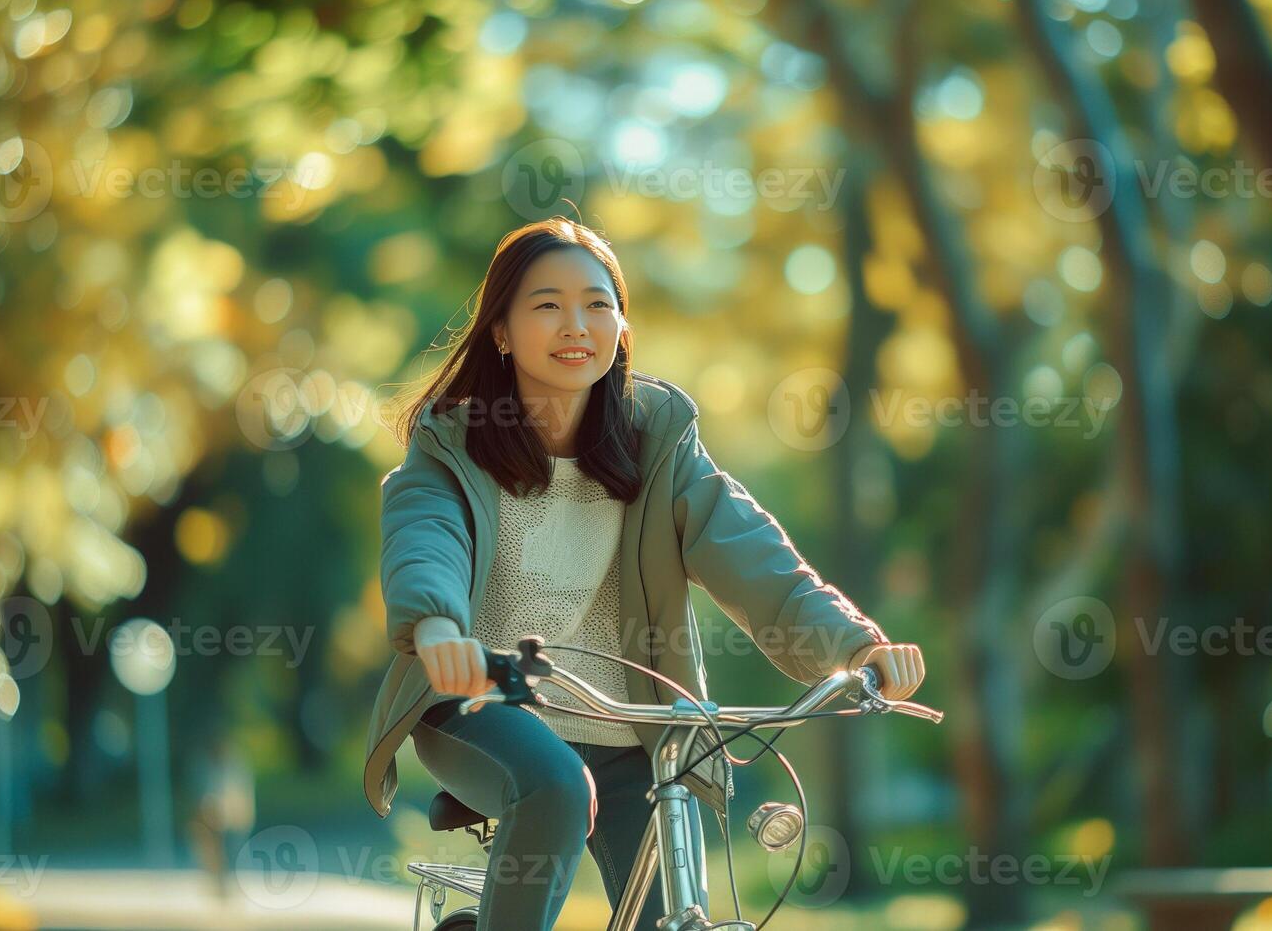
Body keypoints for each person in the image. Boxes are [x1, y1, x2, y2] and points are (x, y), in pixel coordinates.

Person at [362, 216, 926, 931]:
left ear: (621, 327)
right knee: (556, 785)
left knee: (672, 911)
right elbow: (425, 540)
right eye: (547, 305)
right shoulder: (453, 449)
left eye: (598, 304)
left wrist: (854, 647)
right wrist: (437, 624)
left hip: (630, 728)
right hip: (479, 703)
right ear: (500, 332)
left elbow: (753, 557)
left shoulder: (656, 442)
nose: (577, 324)